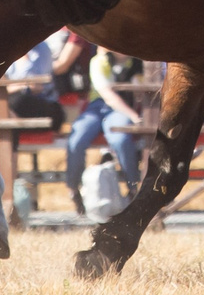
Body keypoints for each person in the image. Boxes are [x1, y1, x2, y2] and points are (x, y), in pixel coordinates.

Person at [62, 47, 146, 215]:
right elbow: (107, 94)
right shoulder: (99, 61)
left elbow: (141, 94)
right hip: (98, 108)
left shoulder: (139, 63)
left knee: (120, 139)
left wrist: (138, 94)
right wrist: (134, 116)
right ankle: (73, 188)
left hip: (120, 111)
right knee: (76, 139)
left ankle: (133, 188)